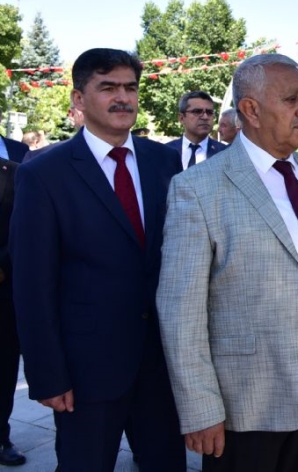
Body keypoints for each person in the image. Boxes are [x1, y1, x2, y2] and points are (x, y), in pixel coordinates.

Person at [156, 53, 298, 472]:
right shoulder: (197, 188)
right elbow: (180, 311)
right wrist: (201, 407)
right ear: (250, 110)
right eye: (291, 99)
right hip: (247, 399)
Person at [10, 48, 185, 471]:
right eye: (108, 87)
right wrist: (47, 376)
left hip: (161, 366)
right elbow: (33, 284)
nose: (123, 97)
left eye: (130, 87)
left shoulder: (162, 160)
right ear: (78, 100)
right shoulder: (43, 174)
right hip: (86, 373)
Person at [0, 159, 23, 467]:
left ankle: (2, 437)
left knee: (4, 369)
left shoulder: (13, 172)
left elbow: (23, 228)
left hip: (4, 292)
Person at [166, 91, 227, 169]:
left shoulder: (225, 153)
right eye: (197, 112)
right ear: (181, 118)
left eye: (209, 112)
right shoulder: (165, 152)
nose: (205, 117)